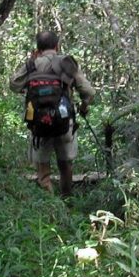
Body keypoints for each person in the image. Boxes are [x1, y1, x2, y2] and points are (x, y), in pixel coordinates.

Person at [10, 30, 95, 196]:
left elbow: (14, 85)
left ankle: (52, 209)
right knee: (65, 165)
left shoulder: (32, 65)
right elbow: (89, 92)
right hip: (64, 124)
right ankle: (67, 200)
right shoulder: (66, 63)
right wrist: (84, 107)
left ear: (38, 48)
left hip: (39, 124)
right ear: (57, 46)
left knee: (43, 170)